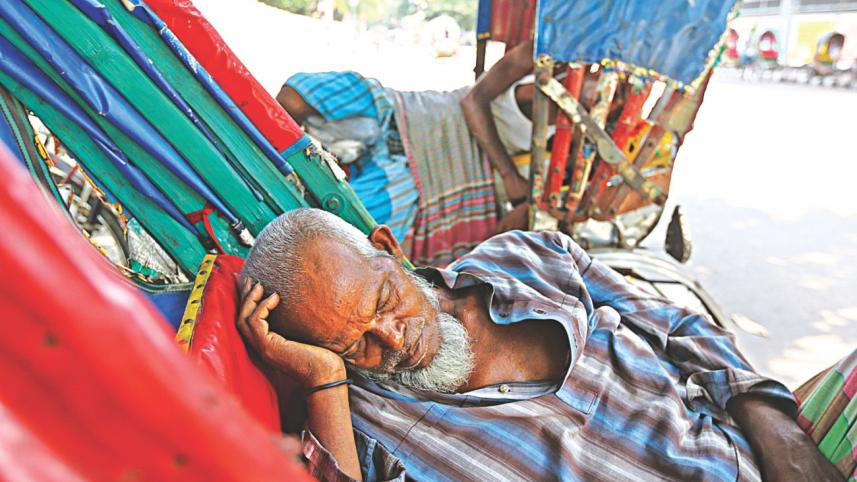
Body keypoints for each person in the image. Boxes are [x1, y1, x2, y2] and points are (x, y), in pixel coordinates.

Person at [238, 208, 854, 482]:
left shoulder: (526, 258)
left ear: (392, 249)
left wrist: (784, 436)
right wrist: (322, 375)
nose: (392, 338)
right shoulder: (362, 421)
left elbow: (681, 329)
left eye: (381, 303)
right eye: (355, 347)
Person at [276, 40, 583, 266]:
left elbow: (531, 215)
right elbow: (472, 102)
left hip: (433, 180)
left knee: (326, 237)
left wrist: (525, 201)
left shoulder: (586, 152)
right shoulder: (550, 52)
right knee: (299, 94)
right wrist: (510, 175)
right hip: (411, 118)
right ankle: (269, 166)